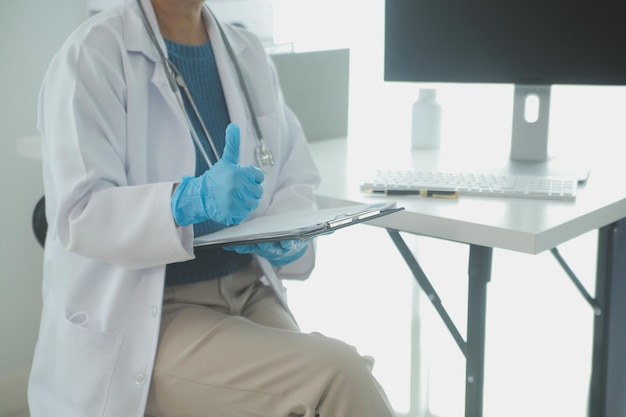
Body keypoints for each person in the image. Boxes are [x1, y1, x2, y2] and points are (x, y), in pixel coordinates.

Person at [28, 0, 397, 416]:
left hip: (248, 289)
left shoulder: (245, 51)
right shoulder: (93, 53)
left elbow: (293, 175)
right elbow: (80, 214)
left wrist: (290, 233)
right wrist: (186, 201)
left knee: (326, 388)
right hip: (153, 313)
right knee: (338, 376)